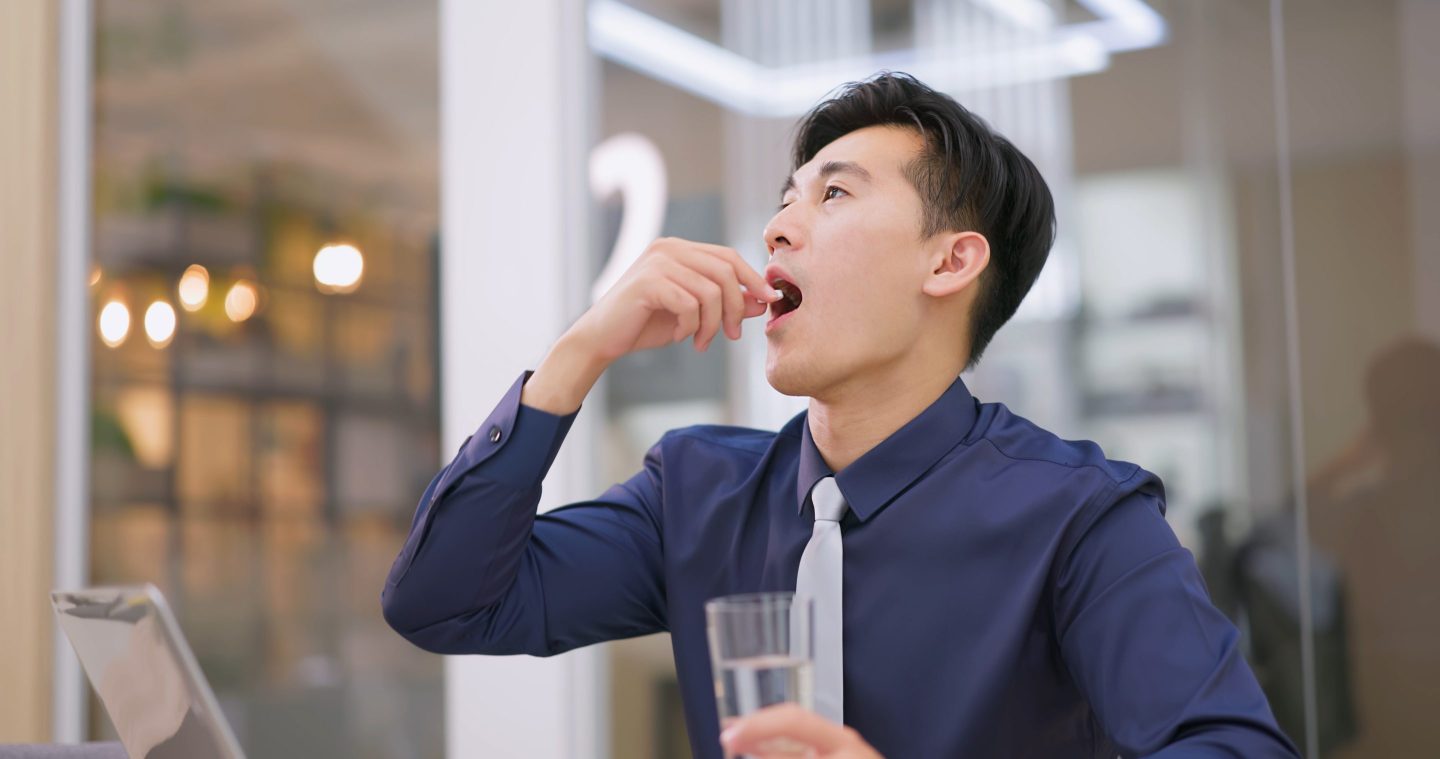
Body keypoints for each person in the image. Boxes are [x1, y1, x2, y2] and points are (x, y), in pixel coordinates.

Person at [381, 72, 1297, 758]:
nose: (778, 227)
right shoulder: (696, 491)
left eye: (835, 193)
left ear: (950, 263)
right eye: (785, 200)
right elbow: (445, 602)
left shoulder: (1080, 516)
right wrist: (579, 354)